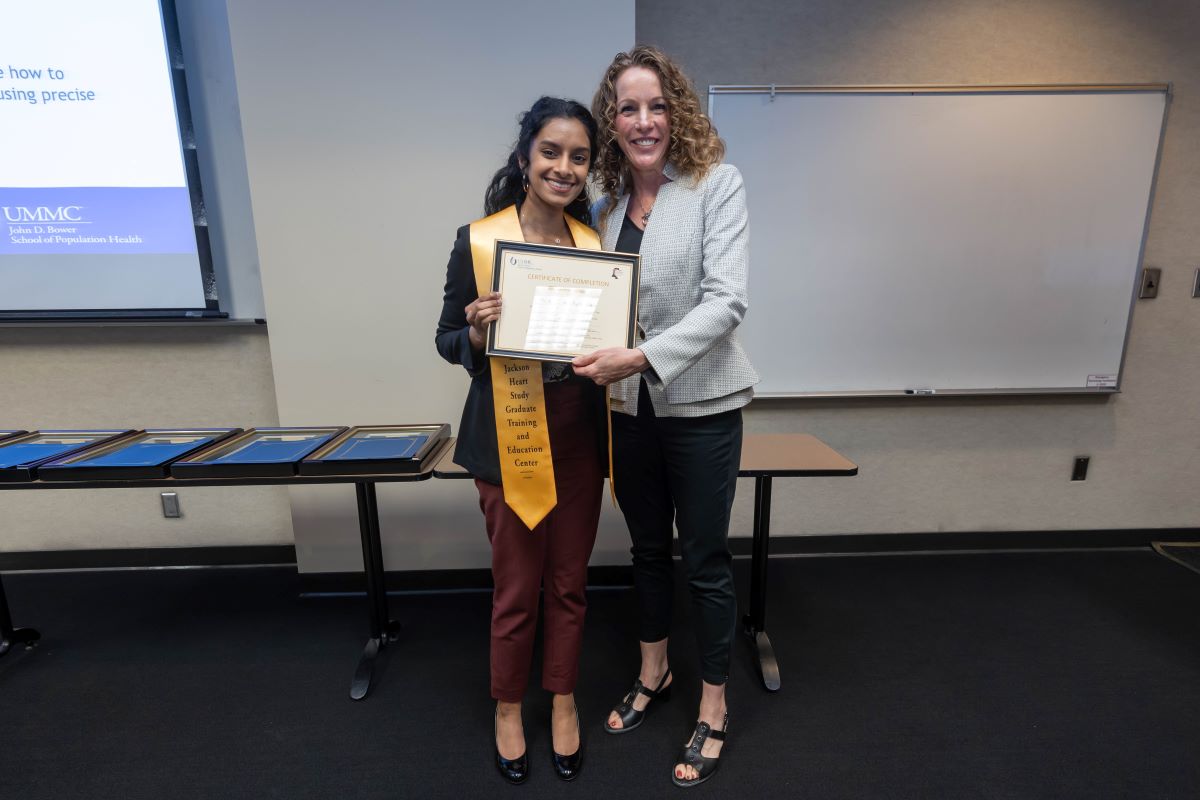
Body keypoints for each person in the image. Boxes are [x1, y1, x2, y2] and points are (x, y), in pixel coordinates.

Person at [572, 46, 758, 788]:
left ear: (675, 111)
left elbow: (727, 301)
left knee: (704, 558)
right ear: (611, 121)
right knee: (647, 550)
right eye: (627, 107)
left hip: (701, 404)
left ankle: (713, 703)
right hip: (628, 411)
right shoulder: (607, 205)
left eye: (655, 105)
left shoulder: (717, 185)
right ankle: (655, 675)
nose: (643, 120)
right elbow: (591, 304)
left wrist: (640, 358)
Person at [434, 96, 607, 785]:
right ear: (524, 158)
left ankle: (562, 699)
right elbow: (447, 338)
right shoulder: (477, 241)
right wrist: (476, 330)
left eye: (579, 156)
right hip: (509, 437)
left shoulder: (595, 244)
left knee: (569, 584)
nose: (564, 167)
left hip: (579, 436)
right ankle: (509, 708)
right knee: (517, 588)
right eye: (551, 152)